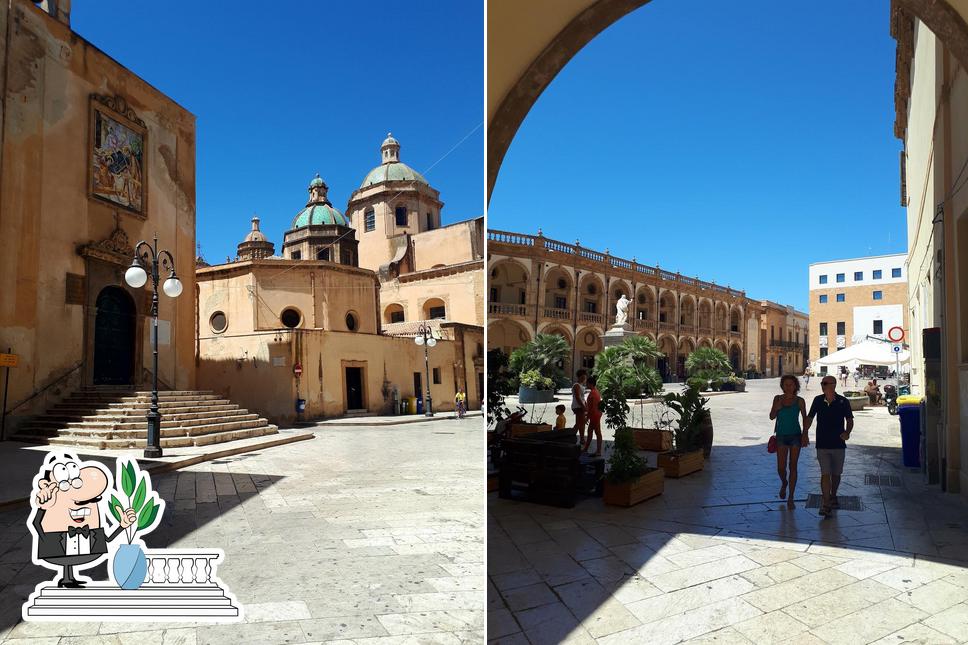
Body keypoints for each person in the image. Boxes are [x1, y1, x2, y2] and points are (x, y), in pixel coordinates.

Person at [803, 375, 854, 517]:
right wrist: (805, 433)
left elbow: (849, 419)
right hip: (822, 443)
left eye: (825, 383)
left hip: (838, 444)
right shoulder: (818, 400)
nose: (822, 385)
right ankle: (826, 503)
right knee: (825, 473)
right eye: (822, 383)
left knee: (836, 474)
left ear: (833, 385)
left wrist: (847, 432)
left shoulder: (843, 401)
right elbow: (810, 417)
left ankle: (833, 495)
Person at [769, 375, 809, 509]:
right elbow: (771, 417)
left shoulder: (800, 401)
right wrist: (777, 407)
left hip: (795, 436)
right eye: (786, 384)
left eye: (791, 384)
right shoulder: (777, 398)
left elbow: (805, 418)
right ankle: (784, 483)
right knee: (781, 468)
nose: (788, 387)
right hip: (781, 436)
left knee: (793, 466)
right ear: (782, 386)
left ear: (795, 386)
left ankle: (791, 496)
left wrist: (805, 434)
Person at [582, 376, 603, 457]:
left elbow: (593, 408)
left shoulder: (593, 394)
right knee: (590, 432)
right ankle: (586, 449)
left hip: (594, 416)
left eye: (587, 383)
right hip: (595, 415)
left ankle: (598, 451)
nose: (586, 384)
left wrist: (587, 417)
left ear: (590, 384)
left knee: (597, 433)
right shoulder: (595, 392)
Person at [571, 369, 589, 445]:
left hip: (580, 406)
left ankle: (581, 439)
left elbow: (582, 397)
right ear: (579, 377)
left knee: (581, 423)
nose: (584, 378)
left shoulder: (581, 386)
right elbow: (578, 397)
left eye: (585, 377)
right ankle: (570, 436)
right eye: (583, 377)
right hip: (578, 406)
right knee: (579, 423)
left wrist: (585, 405)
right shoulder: (576, 385)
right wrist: (583, 406)